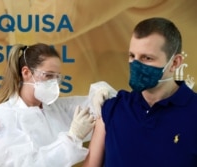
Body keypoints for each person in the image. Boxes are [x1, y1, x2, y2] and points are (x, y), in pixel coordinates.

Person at [83, 17, 197, 167]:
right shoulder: (112, 109)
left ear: (174, 63)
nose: (136, 64)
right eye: (132, 56)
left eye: (147, 58)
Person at [0, 43, 116, 167]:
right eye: (48, 76)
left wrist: (101, 92)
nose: (54, 83)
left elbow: (98, 107)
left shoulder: (55, 108)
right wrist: (71, 138)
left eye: (57, 77)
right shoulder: (2, 115)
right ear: (26, 73)